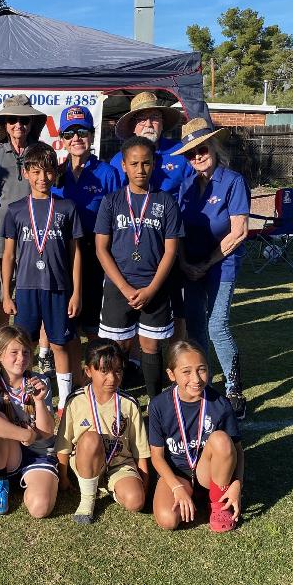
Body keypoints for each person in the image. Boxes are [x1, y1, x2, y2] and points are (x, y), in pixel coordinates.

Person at [174, 118, 250, 419]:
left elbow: (239, 231)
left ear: (214, 147)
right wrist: (184, 263)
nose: (197, 157)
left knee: (217, 325)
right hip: (190, 265)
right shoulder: (187, 185)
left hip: (221, 264)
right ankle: (202, 384)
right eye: (191, 153)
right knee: (195, 327)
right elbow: (176, 228)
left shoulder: (233, 181)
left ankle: (233, 389)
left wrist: (205, 263)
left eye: (201, 149)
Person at [94, 136, 181, 399]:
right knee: (116, 348)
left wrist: (152, 289)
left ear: (154, 164)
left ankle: (156, 407)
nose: (140, 169)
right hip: (119, 287)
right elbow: (101, 248)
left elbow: (171, 250)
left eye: (146, 163)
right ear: (123, 165)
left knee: (150, 346)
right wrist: (124, 286)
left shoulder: (165, 202)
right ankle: (116, 405)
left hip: (154, 288)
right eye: (134, 164)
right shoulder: (111, 201)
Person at [0, 143, 82, 409]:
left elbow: (75, 254)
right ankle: (23, 394)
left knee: (59, 344)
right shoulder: (15, 210)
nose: (42, 178)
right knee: (26, 344)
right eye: (35, 172)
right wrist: (5, 293)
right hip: (26, 288)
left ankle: (65, 401)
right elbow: (9, 256)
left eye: (47, 172)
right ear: (25, 173)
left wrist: (76, 292)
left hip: (58, 288)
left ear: (55, 173)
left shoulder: (67, 208)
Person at [111, 91, 195, 330]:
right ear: (132, 126)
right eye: (142, 118)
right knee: (135, 308)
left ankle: (175, 361)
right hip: (133, 247)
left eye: (155, 117)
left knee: (177, 309)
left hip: (172, 245)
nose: (148, 123)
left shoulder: (182, 153)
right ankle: (138, 362)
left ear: (163, 122)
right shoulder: (119, 160)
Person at [147, 338, 244, 532]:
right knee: (167, 520)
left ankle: (218, 502)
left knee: (221, 440)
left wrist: (237, 485)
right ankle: (190, 495)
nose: (196, 379)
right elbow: (156, 457)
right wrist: (176, 487)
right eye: (186, 372)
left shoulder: (221, 404)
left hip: (208, 473)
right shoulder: (159, 405)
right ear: (171, 374)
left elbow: (238, 451)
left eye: (201, 369)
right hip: (177, 474)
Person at [55, 339, 149, 524]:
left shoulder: (129, 404)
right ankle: (88, 498)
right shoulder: (75, 401)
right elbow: (63, 444)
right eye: (104, 371)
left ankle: (107, 485)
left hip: (119, 463)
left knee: (136, 502)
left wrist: (143, 483)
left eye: (118, 371)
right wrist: (63, 477)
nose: (112, 378)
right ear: (89, 371)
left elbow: (140, 448)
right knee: (90, 438)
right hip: (86, 461)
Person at [50, 105, 120, 341]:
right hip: (60, 250)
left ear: (91, 135)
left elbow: (118, 218)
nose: (76, 138)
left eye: (82, 132)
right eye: (69, 134)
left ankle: (97, 367)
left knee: (92, 319)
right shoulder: (54, 173)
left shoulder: (108, 173)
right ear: (62, 139)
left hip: (94, 250)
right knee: (63, 315)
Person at [0, 325, 58, 518]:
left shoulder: (40, 381)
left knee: (40, 509)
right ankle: (0, 479)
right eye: (14, 352)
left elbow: (46, 434)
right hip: (7, 455)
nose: (21, 358)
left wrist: (38, 400)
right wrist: (25, 434)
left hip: (38, 454)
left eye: (26, 352)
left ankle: (32, 483)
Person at [0, 94, 48, 334]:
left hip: (38, 240)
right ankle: (2, 350)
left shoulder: (43, 152)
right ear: (4, 124)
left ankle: (37, 350)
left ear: (32, 123)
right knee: (1, 297)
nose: (18, 125)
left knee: (36, 296)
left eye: (24, 120)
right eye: (12, 119)